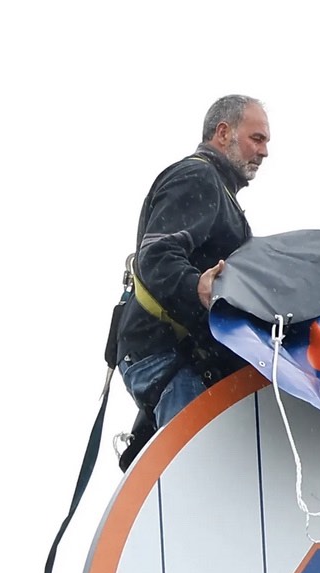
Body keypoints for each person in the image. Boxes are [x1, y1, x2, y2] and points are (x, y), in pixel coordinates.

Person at [117, 94, 270, 435]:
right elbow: (156, 256)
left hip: (179, 359)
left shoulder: (217, 190)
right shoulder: (198, 176)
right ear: (223, 132)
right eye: (257, 139)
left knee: (209, 461)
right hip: (170, 356)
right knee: (213, 464)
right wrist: (195, 286)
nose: (264, 152)